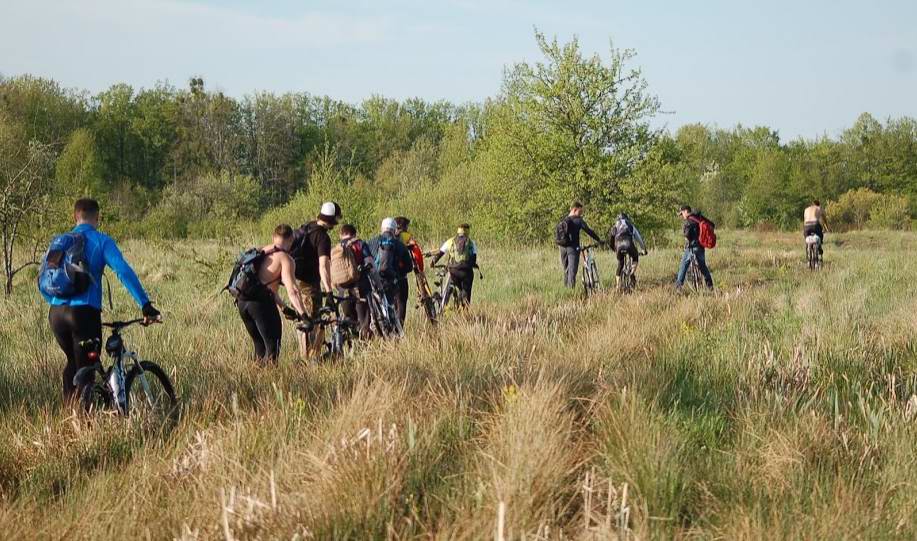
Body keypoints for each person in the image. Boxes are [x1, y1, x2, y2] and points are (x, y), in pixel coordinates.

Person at [40, 198, 161, 402]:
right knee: (87, 369)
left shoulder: (59, 241)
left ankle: (70, 419)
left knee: (73, 361)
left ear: (75, 216)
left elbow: (45, 276)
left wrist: (54, 301)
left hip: (56, 314)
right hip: (83, 314)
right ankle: (85, 423)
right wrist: (145, 304)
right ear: (98, 217)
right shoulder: (101, 240)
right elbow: (123, 271)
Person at [235, 225, 307, 365]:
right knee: (272, 350)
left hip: (243, 303)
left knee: (259, 349)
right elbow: (292, 290)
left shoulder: (261, 251)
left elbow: (264, 286)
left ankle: (255, 382)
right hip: (261, 305)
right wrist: (303, 314)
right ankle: (268, 383)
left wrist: (283, 307)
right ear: (291, 239)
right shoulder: (285, 259)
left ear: (274, 237)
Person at [289, 201, 341, 360]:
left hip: (297, 284)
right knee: (314, 324)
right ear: (333, 220)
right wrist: (329, 292)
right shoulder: (323, 237)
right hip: (311, 287)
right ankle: (310, 361)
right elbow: (323, 267)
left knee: (304, 322)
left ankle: (306, 358)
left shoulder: (307, 227)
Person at [366, 218, 413, 327]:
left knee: (374, 307)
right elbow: (409, 267)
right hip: (392, 282)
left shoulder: (372, 242)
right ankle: (397, 330)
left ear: (382, 229)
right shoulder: (400, 245)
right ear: (394, 230)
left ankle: (374, 328)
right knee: (395, 306)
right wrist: (398, 271)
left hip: (374, 282)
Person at [336, 224, 371, 339]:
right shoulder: (360, 244)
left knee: (348, 318)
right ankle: (365, 344)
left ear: (341, 234)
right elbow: (370, 263)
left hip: (342, 289)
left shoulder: (337, 248)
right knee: (363, 319)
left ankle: (349, 342)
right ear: (354, 234)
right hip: (360, 287)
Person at [557, 202, 602, 288]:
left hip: (562, 247)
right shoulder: (578, 220)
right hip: (573, 248)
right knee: (572, 271)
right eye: (580, 212)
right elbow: (589, 231)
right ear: (575, 209)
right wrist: (599, 240)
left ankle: (566, 291)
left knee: (566, 270)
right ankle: (570, 293)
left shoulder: (563, 220)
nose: (581, 214)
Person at [431, 224, 479, 306]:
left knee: (451, 284)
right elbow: (474, 259)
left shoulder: (451, 241)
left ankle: (443, 305)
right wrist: (473, 265)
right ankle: (465, 311)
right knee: (466, 290)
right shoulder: (471, 243)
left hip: (453, 271)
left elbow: (440, 253)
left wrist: (433, 263)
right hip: (466, 272)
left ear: (458, 231)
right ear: (467, 231)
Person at [674, 205, 714, 291]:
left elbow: (687, 234)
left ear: (685, 211)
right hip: (701, 247)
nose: (682, 216)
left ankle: (678, 287)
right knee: (703, 266)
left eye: (682, 214)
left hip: (692, 247)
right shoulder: (699, 217)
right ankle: (710, 285)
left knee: (683, 265)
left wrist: (686, 237)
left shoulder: (688, 221)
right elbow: (712, 225)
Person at [608, 213, 648, 288]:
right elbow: (639, 239)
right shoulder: (630, 225)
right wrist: (644, 250)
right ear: (627, 219)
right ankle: (632, 273)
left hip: (618, 246)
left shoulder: (615, 226)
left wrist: (614, 249)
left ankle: (617, 286)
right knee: (635, 257)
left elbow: (611, 240)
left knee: (620, 264)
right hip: (628, 244)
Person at [392, 216, 418, 325]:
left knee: (391, 304)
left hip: (387, 277)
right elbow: (416, 252)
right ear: (404, 226)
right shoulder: (406, 236)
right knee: (401, 303)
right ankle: (400, 331)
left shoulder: (386, 237)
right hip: (401, 277)